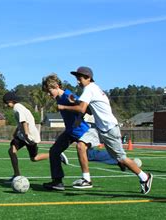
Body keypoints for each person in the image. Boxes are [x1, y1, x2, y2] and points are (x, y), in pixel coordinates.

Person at [58, 66, 153, 194]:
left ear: (88, 78)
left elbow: (81, 109)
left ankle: (144, 177)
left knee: (122, 158)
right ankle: (86, 179)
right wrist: (75, 100)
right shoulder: (92, 89)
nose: (78, 81)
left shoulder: (89, 89)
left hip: (109, 129)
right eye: (77, 78)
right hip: (99, 128)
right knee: (81, 146)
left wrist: (63, 107)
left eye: (79, 78)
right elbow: (88, 109)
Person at [41, 73, 97, 190]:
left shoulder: (68, 95)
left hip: (81, 130)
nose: (48, 94)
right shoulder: (58, 98)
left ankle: (119, 161)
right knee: (54, 151)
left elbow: (86, 109)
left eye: (49, 90)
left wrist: (67, 106)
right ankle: (57, 182)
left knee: (91, 155)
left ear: (56, 86)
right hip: (70, 131)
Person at [3, 92, 68, 181]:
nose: (6, 105)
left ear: (10, 101)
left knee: (34, 158)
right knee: (12, 150)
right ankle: (17, 175)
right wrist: (16, 132)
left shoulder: (17, 108)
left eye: (6, 102)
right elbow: (21, 123)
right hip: (23, 135)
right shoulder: (19, 107)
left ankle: (57, 154)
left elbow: (24, 121)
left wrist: (26, 134)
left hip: (29, 136)